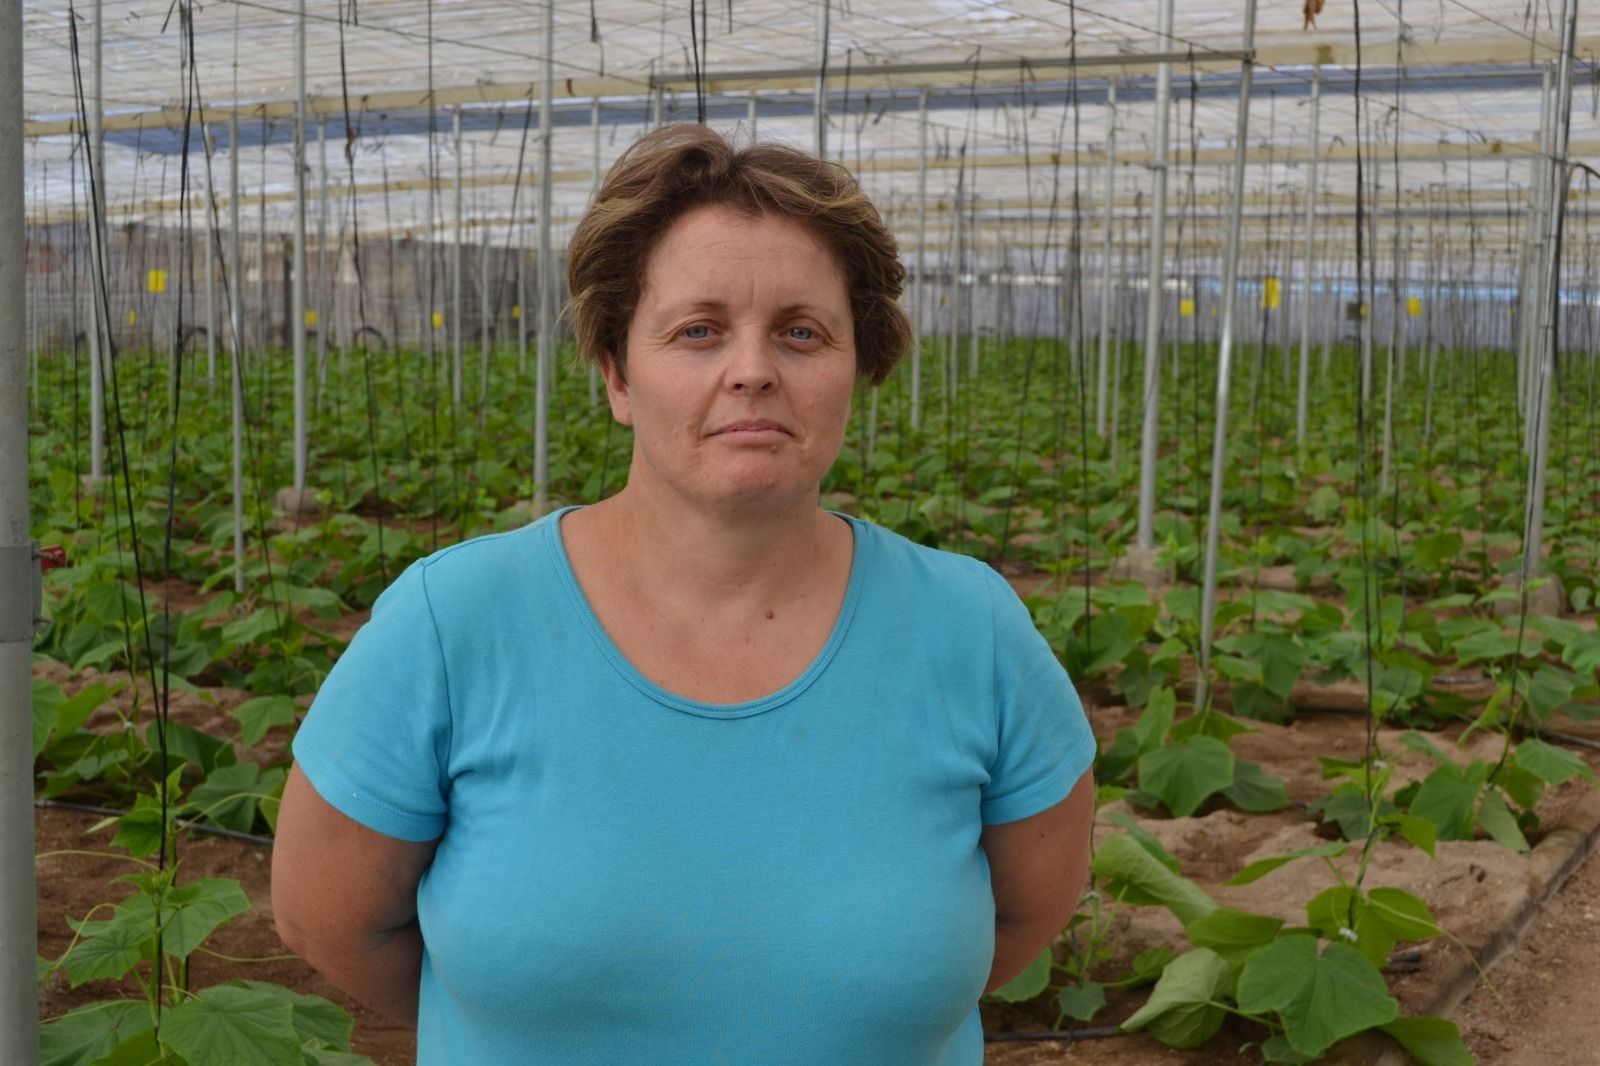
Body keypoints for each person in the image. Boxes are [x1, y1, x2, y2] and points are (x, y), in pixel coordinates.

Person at [272, 123, 1096, 1065]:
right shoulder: (451, 623)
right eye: (698, 330)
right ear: (618, 373)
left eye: (802, 331)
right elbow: (325, 922)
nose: (754, 368)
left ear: (856, 366)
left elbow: (1027, 914)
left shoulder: (972, 630)